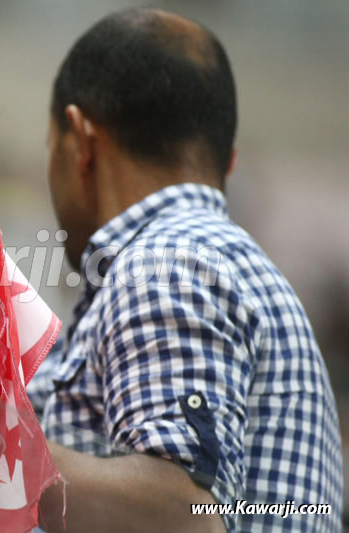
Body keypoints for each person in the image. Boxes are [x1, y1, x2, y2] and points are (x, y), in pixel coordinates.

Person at [28, 7, 343, 532]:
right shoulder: (223, 265)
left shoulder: (166, 261)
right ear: (228, 162)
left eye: (51, 149)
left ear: (81, 140)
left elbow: (183, 516)